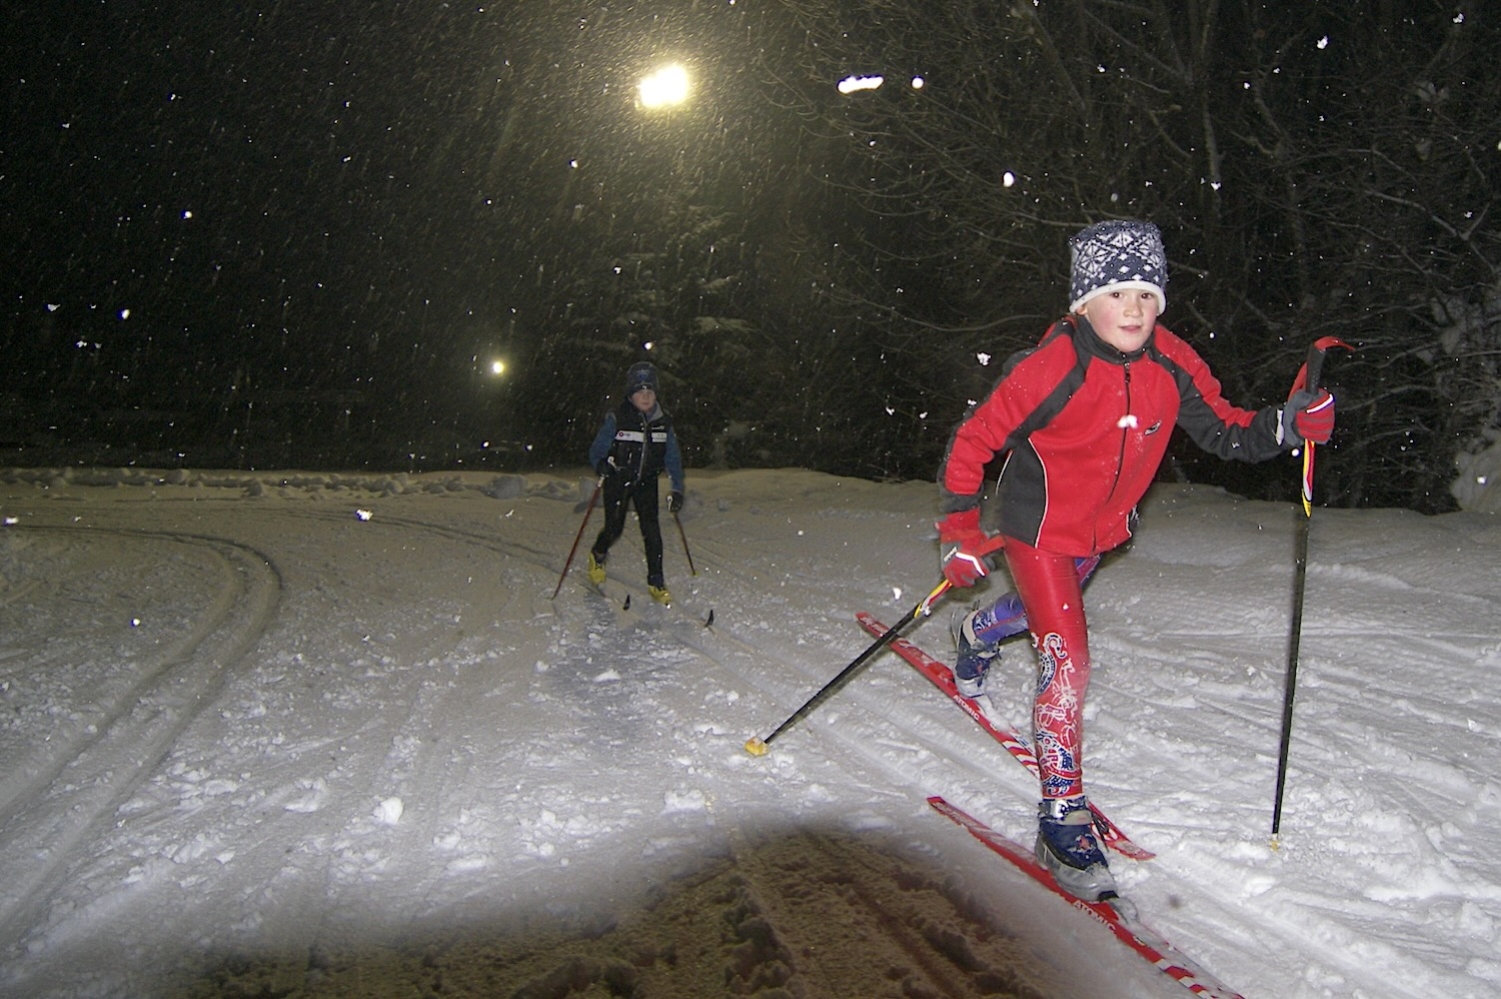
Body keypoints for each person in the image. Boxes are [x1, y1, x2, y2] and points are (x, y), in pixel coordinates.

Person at [935, 219, 1335, 901]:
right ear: (1081, 303)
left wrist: (1289, 424)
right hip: (1035, 525)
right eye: (1115, 293)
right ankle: (1060, 816)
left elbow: (1226, 429)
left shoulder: (1169, 362)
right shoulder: (1050, 367)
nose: (1133, 309)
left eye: (1146, 296)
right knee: (1068, 659)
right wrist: (959, 532)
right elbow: (972, 442)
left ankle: (977, 632)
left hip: (1098, 531)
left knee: (1040, 618)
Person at [587, 361, 686, 606]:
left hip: (647, 482)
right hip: (618, 480)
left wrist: (677, 488)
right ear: (631, 395)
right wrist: (601, 464)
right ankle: (598, 554)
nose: (646, 396)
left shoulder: (663, 423)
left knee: (652, 531)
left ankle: (656, 582)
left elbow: (673, 457)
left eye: (650, 391)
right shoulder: (617, 418)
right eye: (640, 391)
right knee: (614, 528)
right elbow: (596, 450)